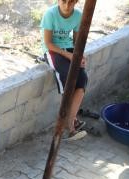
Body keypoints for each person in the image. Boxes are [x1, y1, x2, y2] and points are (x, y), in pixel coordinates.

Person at [41, 0, 88, 140]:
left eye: (71, 2)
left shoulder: (78, 15)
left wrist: (80, 56)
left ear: (77, 2)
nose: (67, 6)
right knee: (68, 76)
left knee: (82, 78)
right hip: (52, 50)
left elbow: (76, 41)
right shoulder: (50, 14)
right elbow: (48, 43)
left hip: (68, 48)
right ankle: (71, 126)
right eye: (64, 1)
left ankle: (72, 119)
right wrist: (68, 55)